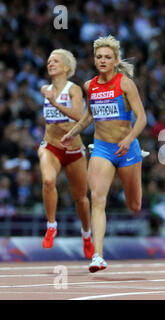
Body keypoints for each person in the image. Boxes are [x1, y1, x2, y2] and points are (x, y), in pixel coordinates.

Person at [61, 35, 147, 272]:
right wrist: (73, 133)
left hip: (127, 148)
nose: (102, 60)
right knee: (98, 200)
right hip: (102, 149)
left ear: (115, 60)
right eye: (99, 57)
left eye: (107, 57)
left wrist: (129, 140)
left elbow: (142, 119)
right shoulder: (90, 86)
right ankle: (98, 256)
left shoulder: (125, 84)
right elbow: (89, 115)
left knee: (135, 205)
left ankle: (141, 155)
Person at [38, 49, 94, 259]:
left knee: (80, 198)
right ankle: (51, 225)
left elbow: (80, 116)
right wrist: (50, 99)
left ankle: (86, 235)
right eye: (49, 60)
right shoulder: (45, 88)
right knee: (48, 181)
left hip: (74, 150)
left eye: (55, 61)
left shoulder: (74, 90)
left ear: (67, 67)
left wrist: (55, 103)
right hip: (50, 146)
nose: (50, 63)